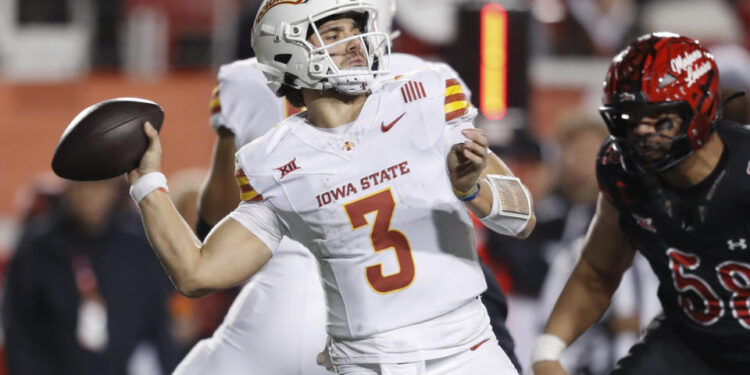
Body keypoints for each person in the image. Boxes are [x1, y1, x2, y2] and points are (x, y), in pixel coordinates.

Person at [127, 0, 535, 374]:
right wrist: (148, 183)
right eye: (335, 34)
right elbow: (198, 273)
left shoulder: (421, 96)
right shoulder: (272, 160)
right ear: (287, 53)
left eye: (356, 30)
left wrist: (470, 189)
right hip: (366, 364)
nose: (355, 43)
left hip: (468, 350)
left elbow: (524, 219)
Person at [531, 32, 750, 375]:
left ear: (700, 108)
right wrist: (547, 352)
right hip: (690, 345)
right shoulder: (622, 173)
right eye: (630, 118)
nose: (641, 132)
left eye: (659, 118)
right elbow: (597, 273)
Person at [3, 178, 178, 375]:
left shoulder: (136, 243)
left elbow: (158, 320)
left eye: (99, 186)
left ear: (113, 189)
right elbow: (19, 328)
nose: (89, 195)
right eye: (82, 185)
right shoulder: (38, 245)